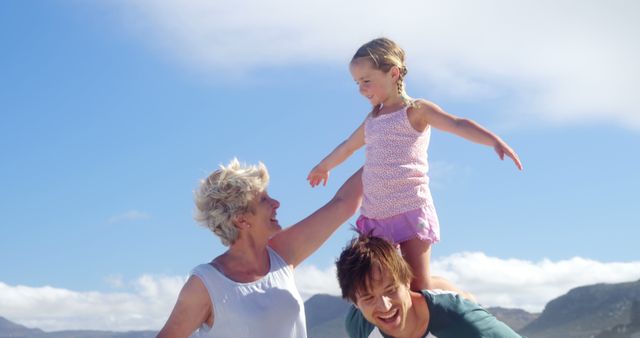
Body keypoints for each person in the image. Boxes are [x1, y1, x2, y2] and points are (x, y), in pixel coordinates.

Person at [308, 37, 523, 292]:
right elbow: (347, 146)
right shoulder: (372, 119)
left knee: (418, 286)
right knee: (381, 281)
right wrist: (324, 166)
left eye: (366, 81)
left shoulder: (416, 110)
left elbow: (456, 123)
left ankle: (447, 289)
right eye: (357, 83)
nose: (361, 89)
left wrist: (493, 141)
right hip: (376, 215)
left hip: (410, 208)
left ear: (393, 73)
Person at [157, 159, 363, 338]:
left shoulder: (283, 253)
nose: (276, 203)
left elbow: (343, 203)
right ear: (241, 219)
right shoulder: (204, 285)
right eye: (264, 199)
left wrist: (385, 147)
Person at [336, 235, 523, 338]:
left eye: (391, 290)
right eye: (368, 298)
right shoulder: (359, 326)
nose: (385, 307)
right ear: (354, 302)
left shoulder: (460, 320)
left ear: (407, 280)